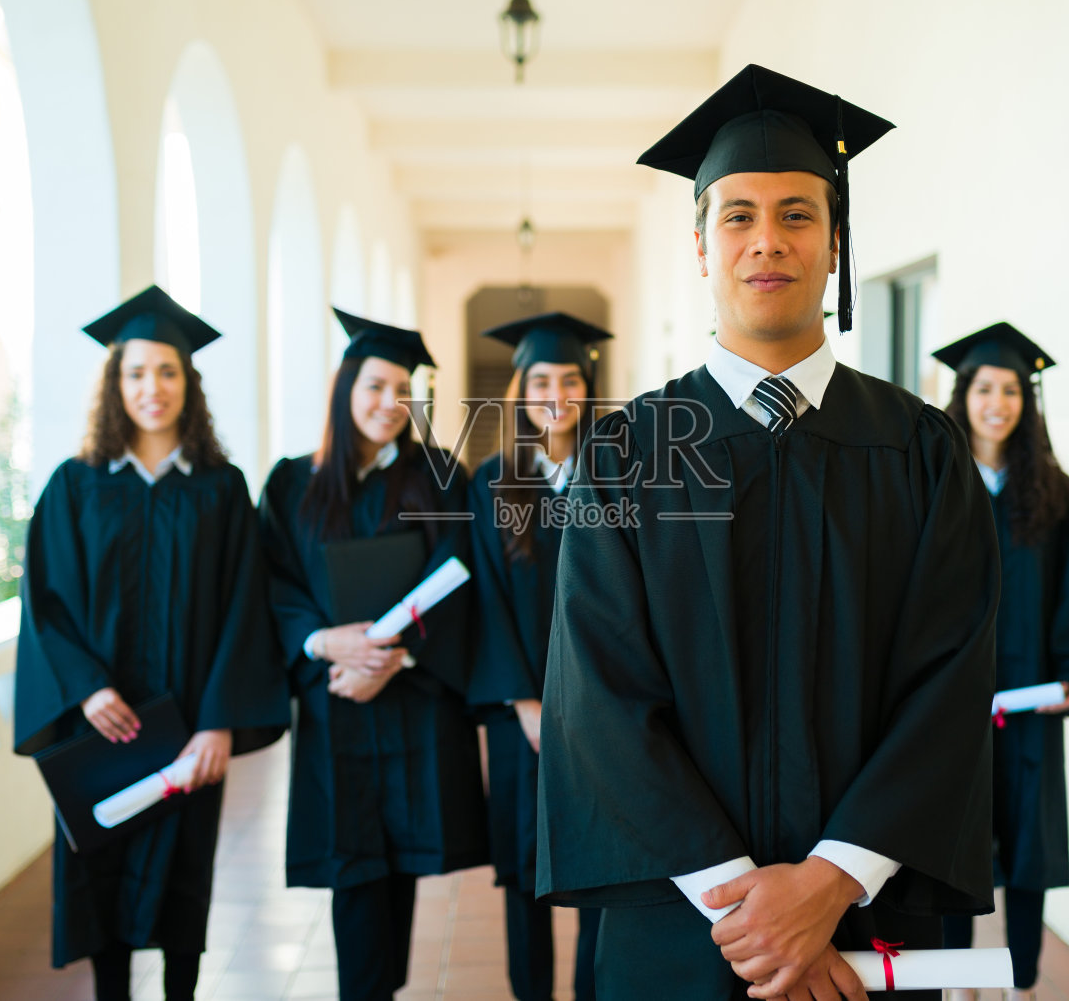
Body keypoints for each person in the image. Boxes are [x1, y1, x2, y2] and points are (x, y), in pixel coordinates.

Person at [535, 63, 1002, 1001]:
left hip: (869, 911)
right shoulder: (628, 451)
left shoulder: (919, 447)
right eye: (738, 215)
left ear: (835, 245)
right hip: (685, 921)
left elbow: (950, 677)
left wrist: (828, 884)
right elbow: (601, 694)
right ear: (701, 245)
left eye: (798, 213)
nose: (767, 241)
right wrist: (749, 908)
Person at [14, 285, 290, 1001]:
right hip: (100, 726)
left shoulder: (222, 490)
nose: (151, 387)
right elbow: (42, 600)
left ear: (188, 384)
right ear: (114, 384)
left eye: (167, 371)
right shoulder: (74, 488)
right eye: (135, 372)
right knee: (100, 876)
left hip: (188, 733)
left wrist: (221, 721)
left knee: (182, 881)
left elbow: (244, 609)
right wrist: (87, 686)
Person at [259, 309, 487, 1001]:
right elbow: (273, 581)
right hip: (337, 702)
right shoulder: (293, 482)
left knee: (399, 869)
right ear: (344, 388)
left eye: (403, 390)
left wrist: (395, 656)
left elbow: (459, 573)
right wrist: (328, 643)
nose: (391, 403)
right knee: (354, 871)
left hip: (409, 700)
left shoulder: (441, 476)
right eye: (376, 386)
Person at [931, 323, 1069, 1001]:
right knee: (950, 849)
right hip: (953, 707)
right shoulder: (937, 481)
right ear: (963, 395)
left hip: (1029, 702)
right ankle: (959, 980)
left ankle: (1021, 983)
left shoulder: (1052, 489)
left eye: (1012, 388)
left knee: (1028, 852)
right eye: (985, 387)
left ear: (1028, 400)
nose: (998, 401)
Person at [468, 312, 614, 1001]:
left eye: (570, 379)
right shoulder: (492, 483)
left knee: (600, 871)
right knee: (526, 874)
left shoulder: (618, 474)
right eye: (541, 381)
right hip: (519, 716)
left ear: (589, 388)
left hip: (603, 716)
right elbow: (488, 601)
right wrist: (526, 705)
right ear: (521, 393)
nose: (556, 393)